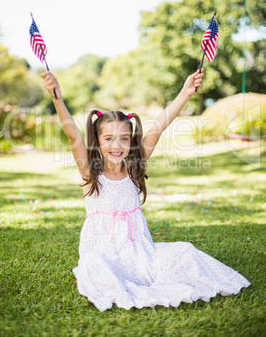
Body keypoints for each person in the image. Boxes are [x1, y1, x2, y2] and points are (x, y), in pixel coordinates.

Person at [41, 68, 250, 312]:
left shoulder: (133, 167)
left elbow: (158, 127)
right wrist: (57, 98)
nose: (116, 145)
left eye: (124, 139)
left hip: (140, 254)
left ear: (132, 141)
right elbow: (71, 133)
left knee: (184, 252)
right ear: (97, 142)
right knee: (94, 266)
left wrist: (185, 92)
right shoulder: (91, 173)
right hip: (105, 253)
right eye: (108, 139)